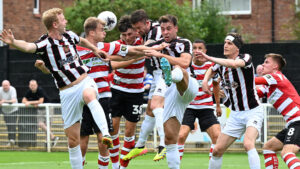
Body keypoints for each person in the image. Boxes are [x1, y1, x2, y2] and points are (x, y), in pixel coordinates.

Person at [0, 8, 113, 169]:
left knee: (89, 95)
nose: (65, 21)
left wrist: (95, 50)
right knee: (73, 140)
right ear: (55, 24)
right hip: (66, 92)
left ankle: (106, 135)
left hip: (84, 81)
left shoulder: (69, 35)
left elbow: (82, 41)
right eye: (63, 19)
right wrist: (13, 42)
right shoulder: (45, 43)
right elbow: (27, 46)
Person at [125, 14, 199, 169]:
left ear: (176, 29)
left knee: (178, 69)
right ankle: (157, 148)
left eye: (169, 29)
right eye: (163, 29)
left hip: (188, 85)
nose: (165, 32)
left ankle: (170, 75)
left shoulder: (183, 42)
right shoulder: (156, 44)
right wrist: (107, 55)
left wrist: (159, 54)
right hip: (173, 94)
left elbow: (186, 62)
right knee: (171, 139)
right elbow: (132, 52)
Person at [199, 33, 263, 169]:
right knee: (216, 151)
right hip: (235, 115)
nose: (225, 45)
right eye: (225, 42)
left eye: (229, 43)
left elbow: (234, 64)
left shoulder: (245, 57)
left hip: (253, 111)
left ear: (237, 48)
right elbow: (211, 69)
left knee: (248, 143)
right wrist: (205, 81)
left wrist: (209, 58)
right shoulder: (220, 65)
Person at [127, 9, 167, 162]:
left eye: (138, 28)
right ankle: (140, 145)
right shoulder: (145, 34)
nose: (137, 32)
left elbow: (149, 47)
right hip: (157, 73)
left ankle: (163, 145)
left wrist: (129, 51)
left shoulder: (157, 30)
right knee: (150, 109)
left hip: (166, 70)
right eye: (135, 29)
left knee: (156, 105)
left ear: (147, 23)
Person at [177, 40, 222, 160]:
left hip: (206, 107)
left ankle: (212, 166)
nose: (197, 51)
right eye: (195, 48)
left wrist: (218, 105)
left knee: (217, 136)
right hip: (188, 106)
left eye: (200, 48)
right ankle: (175, 165)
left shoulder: (212, 67)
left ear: (205, 51)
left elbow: (216, 85)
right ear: (191, 51)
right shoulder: (186, 66)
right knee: (181, 136)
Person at [255, 53, 300, 169]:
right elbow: (252, 92)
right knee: (268, 147)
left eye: (266, 62)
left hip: (298, 121)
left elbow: (252, 82)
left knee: (287, 153)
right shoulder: (269, 86)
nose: (262, 65)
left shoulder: (276, 77)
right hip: (293, 123)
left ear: (275, 67)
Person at [23, 79, 59, 147]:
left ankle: (47, 143)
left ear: (36, 85)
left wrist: (30, 102)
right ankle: (53, 137)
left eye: (34, 85)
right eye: (31, 85)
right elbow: (23, 100)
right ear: (29, 86)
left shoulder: (40, 90)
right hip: (40, 110)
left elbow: (40, 101)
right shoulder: (29, 92)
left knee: (48, 126)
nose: (32, 86)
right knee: (40, 124)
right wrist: (34, 103)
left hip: (48, 108)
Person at [0, 80, 18, 146]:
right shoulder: (0, 90)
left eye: (6, 85)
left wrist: (4, 101)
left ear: (9, 85)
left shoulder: (13, 89)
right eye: (4, 85)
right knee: (8, 125)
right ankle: (10, 141)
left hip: (13, 110)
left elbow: (14, 100)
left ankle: (12, 140)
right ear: (2, 86)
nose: (5, 87)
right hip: (5, 111)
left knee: (12, 125)